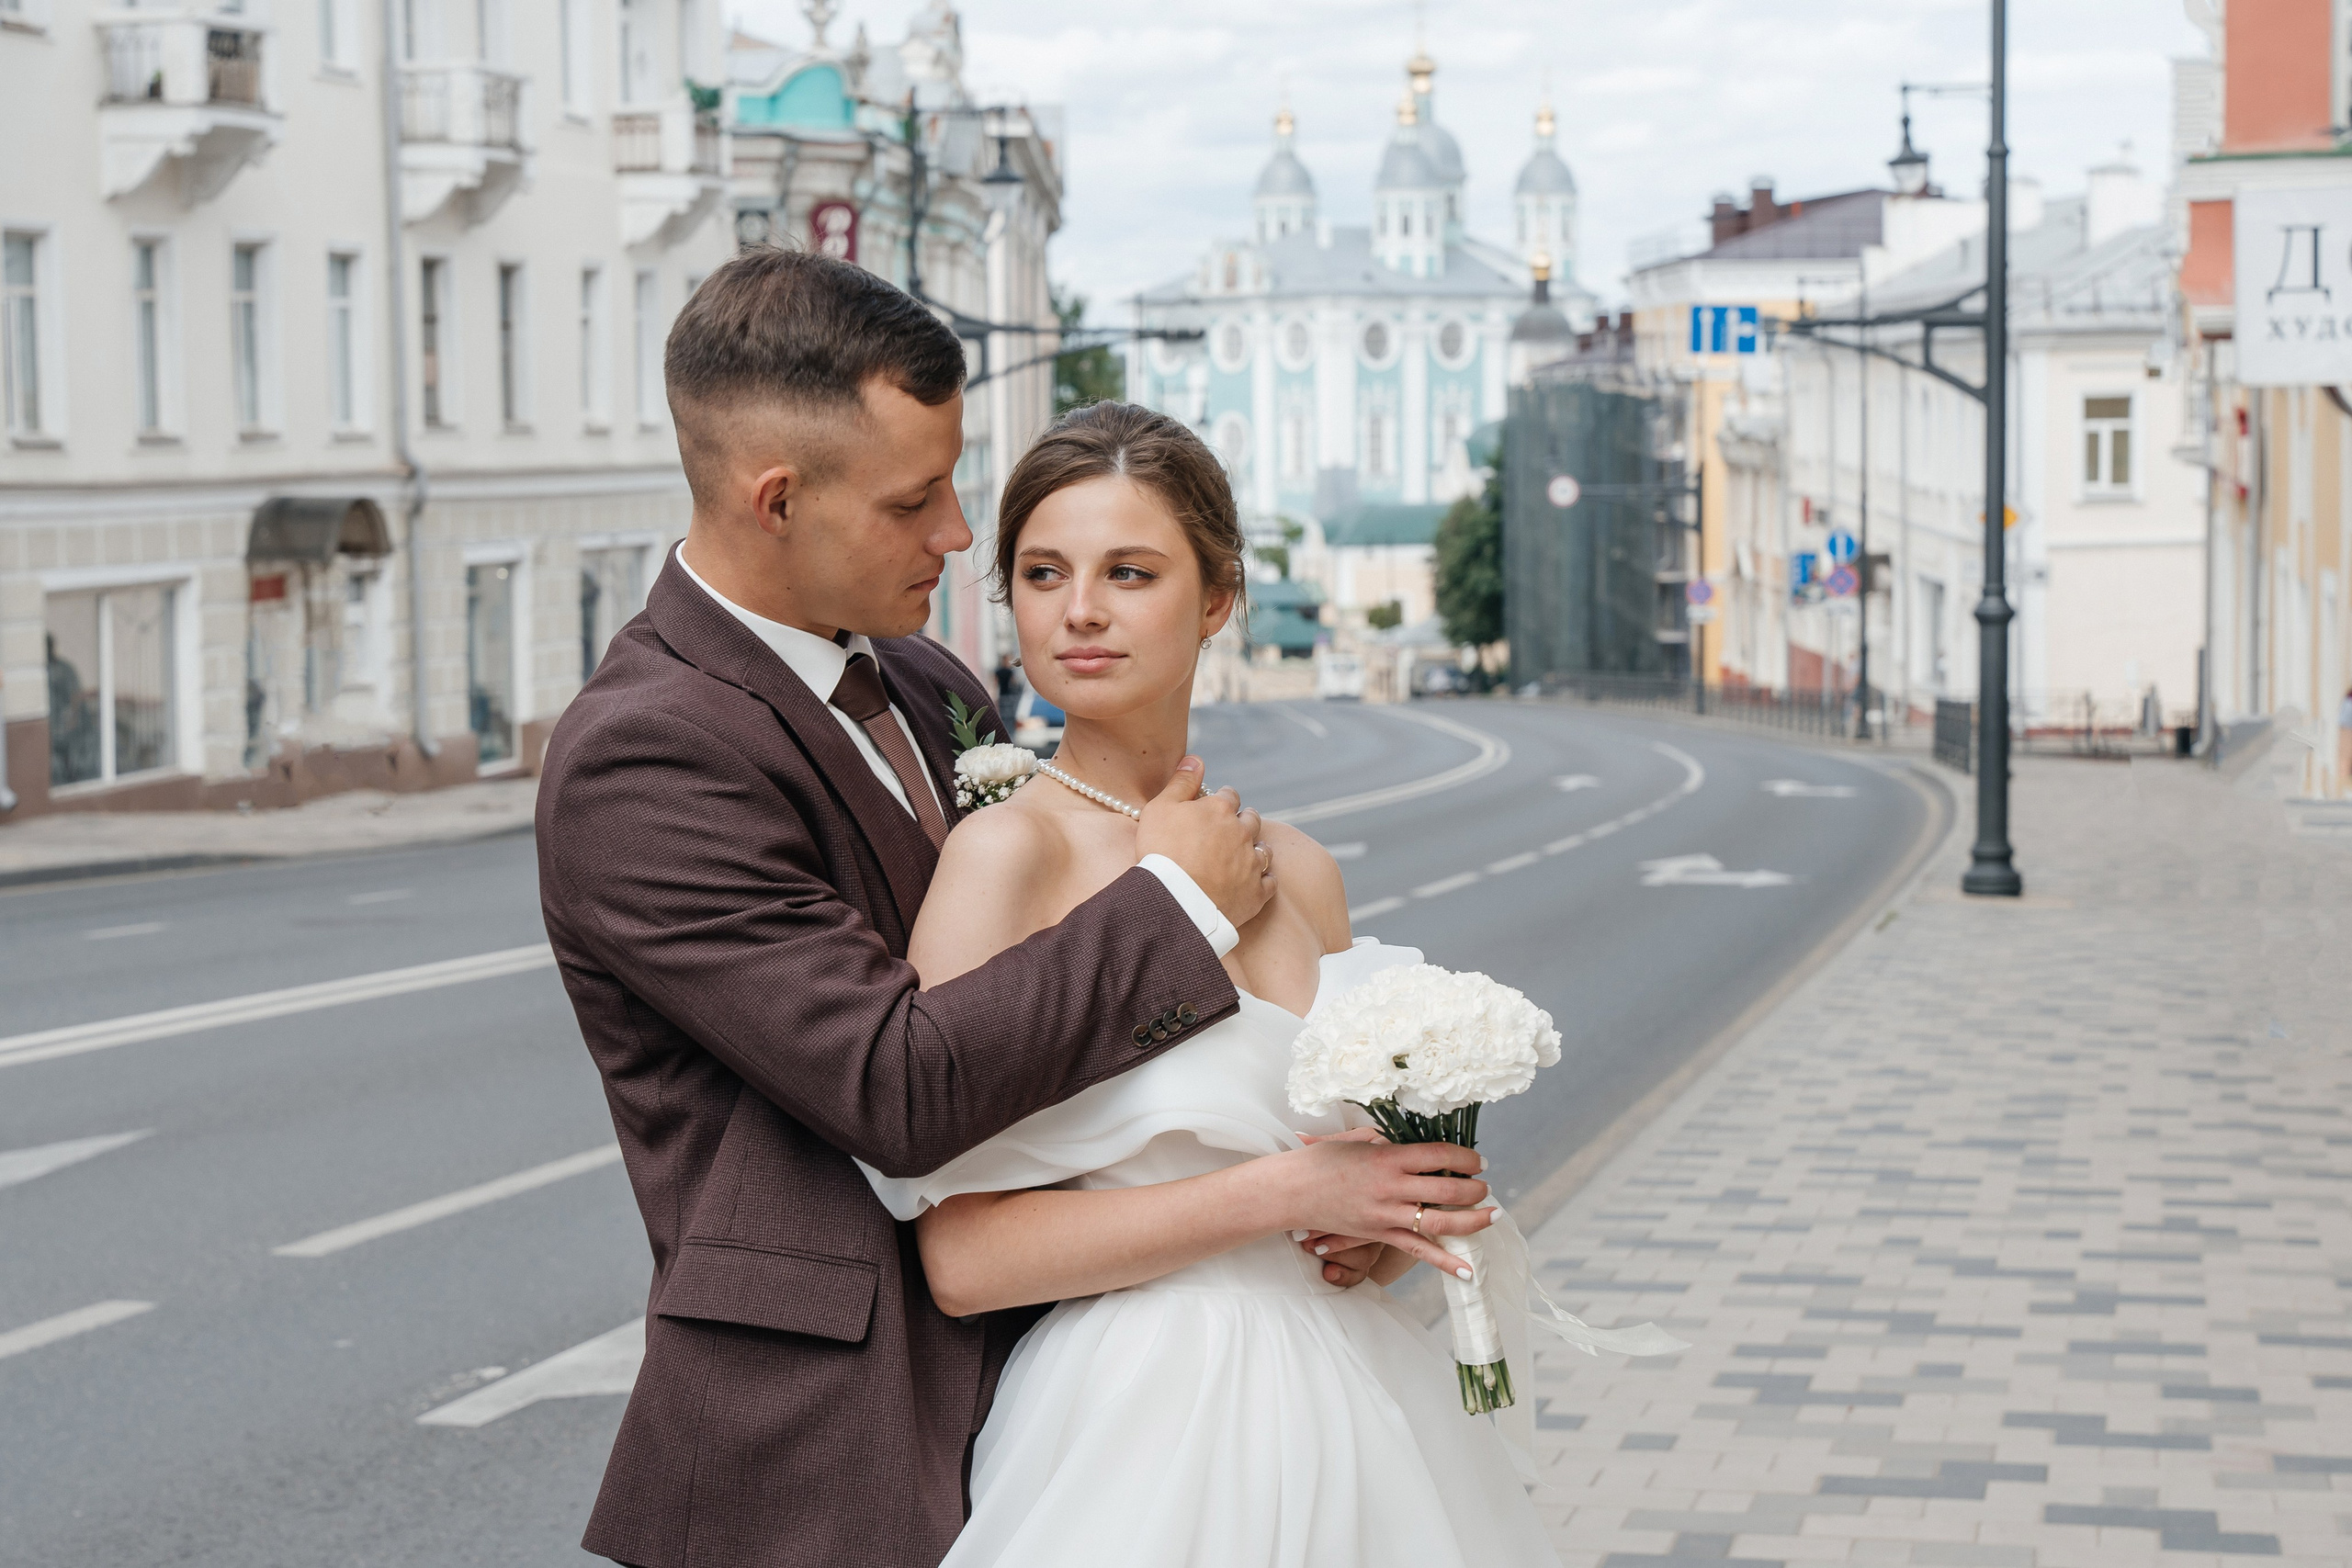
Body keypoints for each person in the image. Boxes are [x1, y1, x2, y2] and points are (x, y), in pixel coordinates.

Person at [536, 248, 1475, 1568]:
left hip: (1108, 1384)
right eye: (918, 500)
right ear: (777, 498)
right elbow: (896, 1083)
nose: (962, 535)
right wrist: (1176, 902)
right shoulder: (646, 754)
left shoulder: (924, 683)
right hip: (829, 1440)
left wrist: (1369, 1211)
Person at [862, 402, 1556, 1567]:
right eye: (1042, 573)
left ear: (1218, 598)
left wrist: (1388, 1220)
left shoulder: (1301, 871)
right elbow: (963, 1259)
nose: (1078, 609)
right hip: (1146, 1419)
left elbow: (1346, 1182)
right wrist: (1291, 1195)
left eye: (1129, 572)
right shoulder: (1006, 856)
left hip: (1357, 1392)